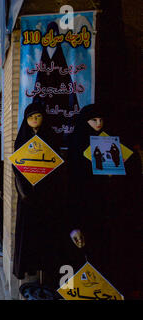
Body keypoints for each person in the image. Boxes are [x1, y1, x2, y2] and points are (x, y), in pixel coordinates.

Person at [66, 104, 142, 299]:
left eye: (101, 120)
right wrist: (74, 225)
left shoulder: (113, 143)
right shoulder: (77, 147)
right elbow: (72, 188)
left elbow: (131, 178)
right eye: (93, 120)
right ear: (85, 122)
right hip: (88, 214)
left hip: (113, 213)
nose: (98, 124)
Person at [12, 102, 65, 291]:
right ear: (26, 120)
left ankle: (47, 277)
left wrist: (48, 191)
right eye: (31, 117)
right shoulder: (22, 139)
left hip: (48, 200)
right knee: (29, 238)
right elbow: (17, 168)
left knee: (47, 238)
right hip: (28, 200)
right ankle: (31, 275)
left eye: (38, 116)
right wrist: (25, 192)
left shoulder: (50, 137)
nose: (35, 120)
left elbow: (57, 167)